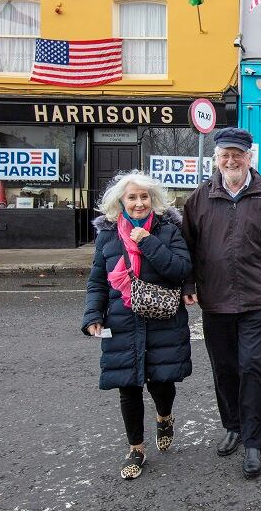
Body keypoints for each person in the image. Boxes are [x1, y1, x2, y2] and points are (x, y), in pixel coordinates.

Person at [181, 127, 261, 480]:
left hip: (257, 297)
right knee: (225, 368)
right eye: (225, 155)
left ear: (249, 157)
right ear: (216, 158)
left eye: (238, 154)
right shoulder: (199, 198)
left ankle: (254, 441)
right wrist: (188, 283)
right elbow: (186, 248)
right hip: (215, 299)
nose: (231, 160)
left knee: (252, 364)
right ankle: (233, 425)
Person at [81, 171, 193, 480]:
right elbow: (97, 282)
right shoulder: (107, 235)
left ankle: (165, 416)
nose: (139, 202)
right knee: (128, 386)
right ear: (121, 201)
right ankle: (136, 448)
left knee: (161, 382)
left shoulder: (168, 230)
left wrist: (148, 243)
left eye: (144, 196)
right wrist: (93, 315)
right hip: (122, 320)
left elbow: (180, 270)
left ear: (153, 199)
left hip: (161, 319)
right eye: (132, 197)